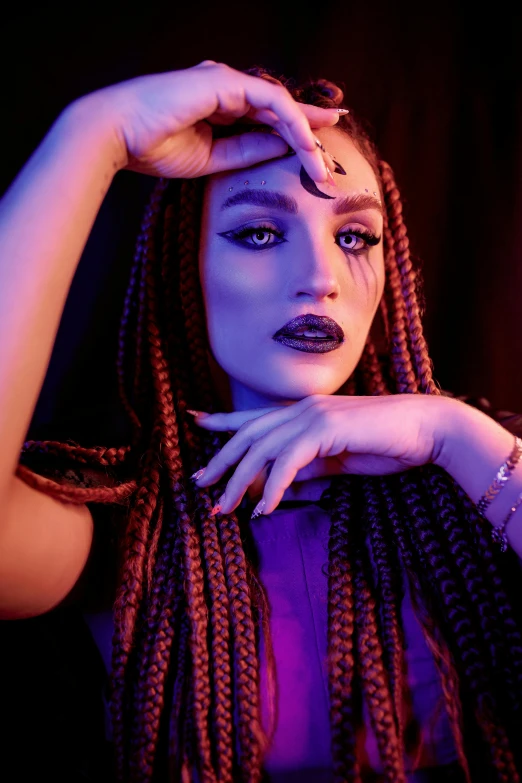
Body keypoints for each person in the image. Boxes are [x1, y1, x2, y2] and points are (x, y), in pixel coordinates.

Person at [0, 59, 521, 783]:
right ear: (182, 267)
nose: (321, 276)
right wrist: (94, 134)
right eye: (258, 234)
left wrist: (452, 434)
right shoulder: (124, 528)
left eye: (354, 237)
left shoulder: (483, 480)